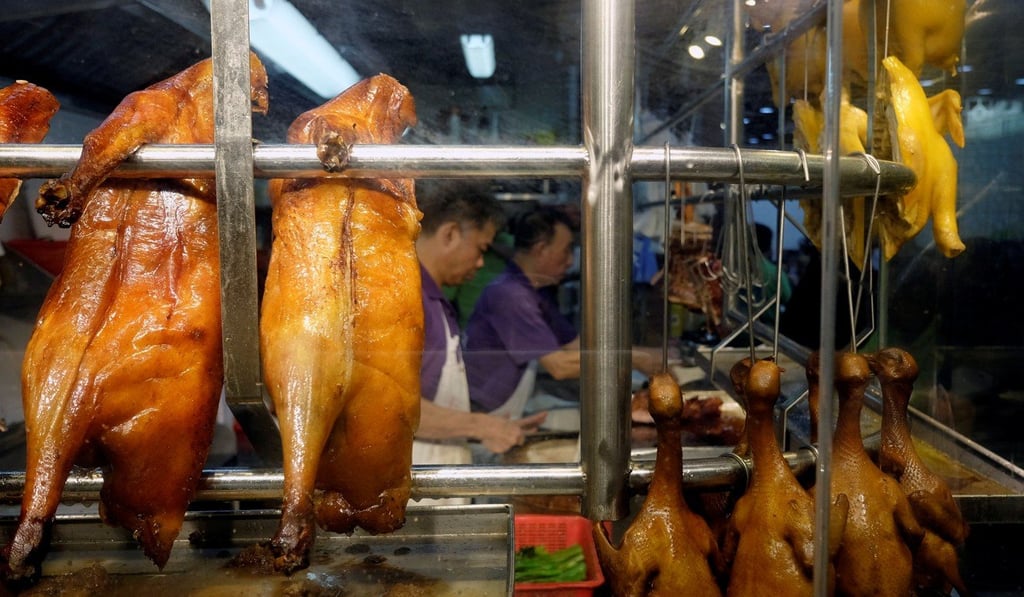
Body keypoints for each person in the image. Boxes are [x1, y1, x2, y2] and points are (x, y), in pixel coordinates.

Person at [464, 205, 664, 437]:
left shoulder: (538, 291)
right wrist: (634, 359)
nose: (570, 261)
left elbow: (575, 346)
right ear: (541, 250)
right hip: (484, 417)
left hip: (505, 410)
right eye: (567, 250)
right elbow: (559, 366)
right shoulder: (510, 294)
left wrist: (644, 355)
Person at [413, 181, 547, 483]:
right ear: (450, 234)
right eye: (481, 248)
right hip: (414, 494)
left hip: (436, 483)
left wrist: (488, 428)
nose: (481, 261)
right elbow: (390, 410)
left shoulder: (434, 298)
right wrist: (481, 426)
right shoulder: (410, 299)